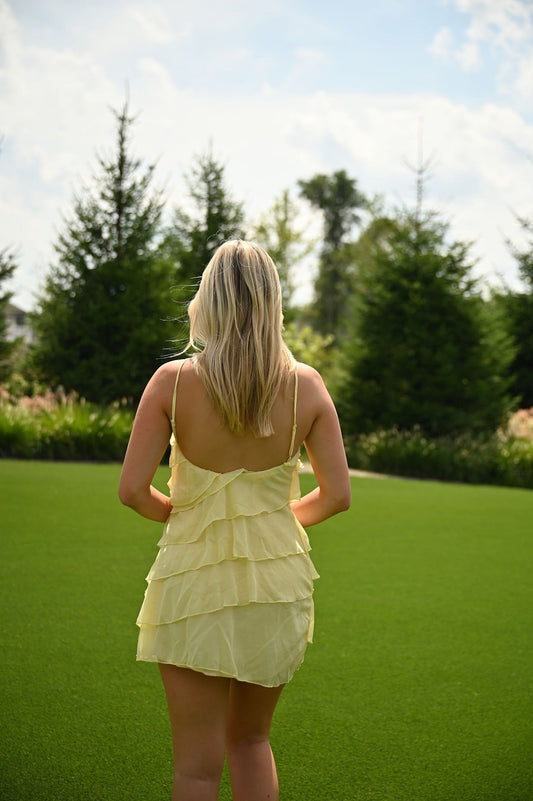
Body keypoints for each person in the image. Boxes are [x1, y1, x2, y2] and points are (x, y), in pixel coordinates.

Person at [119, 239, 351, 801]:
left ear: (209, 299)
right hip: (275, 584)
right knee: (250, 742)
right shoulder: (306, 385)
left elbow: (132, 490)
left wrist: (178, 515)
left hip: (190, 577)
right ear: (272, 302)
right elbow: (337, 495)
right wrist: (268, 526)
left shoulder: (172, 382)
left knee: (196, 768)